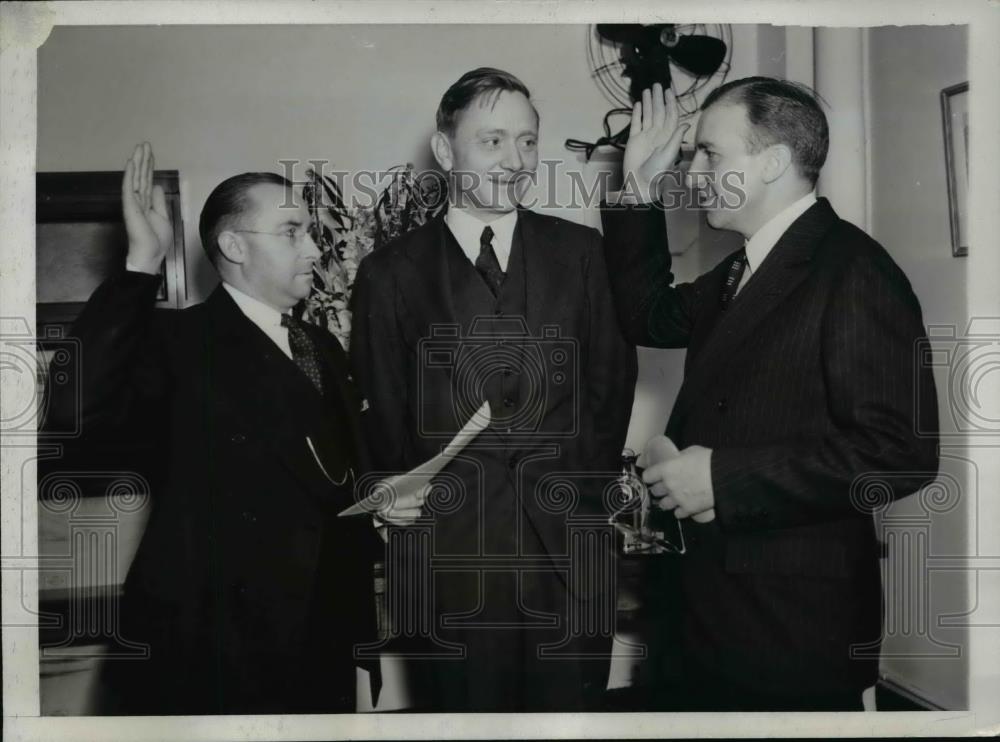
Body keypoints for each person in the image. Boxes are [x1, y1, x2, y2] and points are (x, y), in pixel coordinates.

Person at [600, 78, 940, 711]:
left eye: (710, 154)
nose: (694, 172)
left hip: (793, 632)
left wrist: (722, 479)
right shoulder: (743, 266)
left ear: (774, 162)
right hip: (718, 617)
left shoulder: (854, 271)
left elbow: (902, 451)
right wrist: (638, 185)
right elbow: (647, 315)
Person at [57, 143, 417, 714]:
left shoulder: (319, 344)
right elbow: (73, 409)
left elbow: (325, 470)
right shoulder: (177, 341)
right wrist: (141, 265)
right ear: (233, 245)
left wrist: (376, 499)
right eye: (292, 231)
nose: (314, 246)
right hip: (216, 638)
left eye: (310, 231)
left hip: (321, 624)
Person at [349, 68, 637, 711]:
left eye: (529, 142)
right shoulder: (388, 274)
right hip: (451, 567)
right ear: (447, 151)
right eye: (494, 141)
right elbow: (383, 417)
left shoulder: (583, 253)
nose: (516, 160)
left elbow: (611, 387)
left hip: (570, 555)